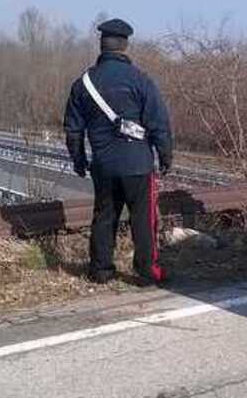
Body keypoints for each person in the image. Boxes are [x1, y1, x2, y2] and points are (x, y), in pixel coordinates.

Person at [64, 18, 173, 285]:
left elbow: (73, 130)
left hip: (103, 165)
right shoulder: (141, 80)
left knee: (104, 216)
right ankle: (147, 272)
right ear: (125, 46)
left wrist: (79, 160)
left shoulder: (83, 84)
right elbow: (159, 123)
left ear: (102, 45)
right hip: (138, 165)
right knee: (143, 220)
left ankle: (100, 271)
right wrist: (165, 156)